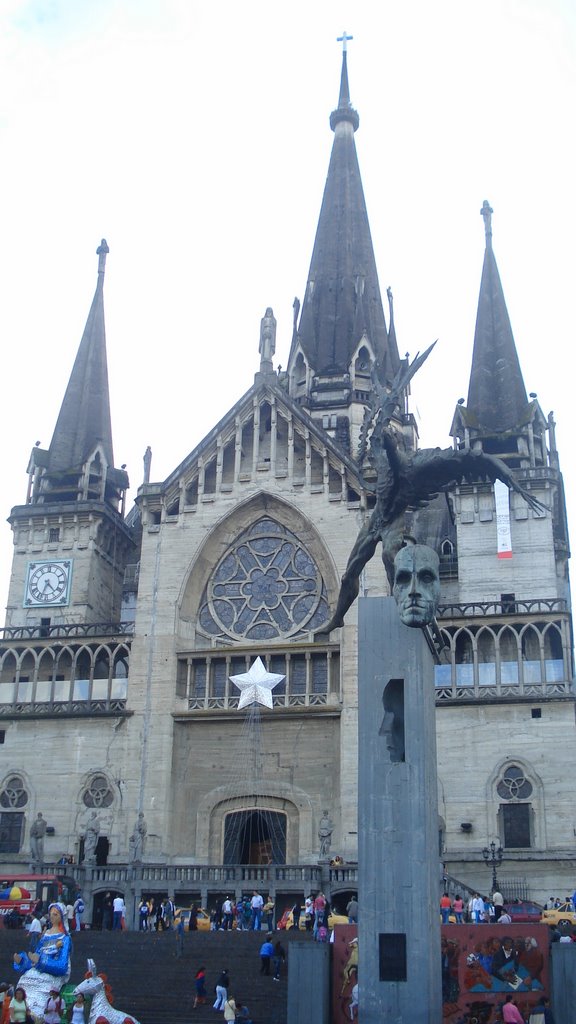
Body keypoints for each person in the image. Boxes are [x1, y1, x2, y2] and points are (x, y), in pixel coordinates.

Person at [12, 903, 71, 1019]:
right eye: (51, 914)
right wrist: (22, 961)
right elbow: (35, 958)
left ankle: (36, 1015)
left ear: (62, 917)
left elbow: (62, 966)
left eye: (56, 914)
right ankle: (20, 1013)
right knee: (25, 978)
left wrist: (42, 962)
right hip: (38, 970)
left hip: (52, 974)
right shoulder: (45, 935)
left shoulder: (65, 938)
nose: (52, 917)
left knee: (41, 983)